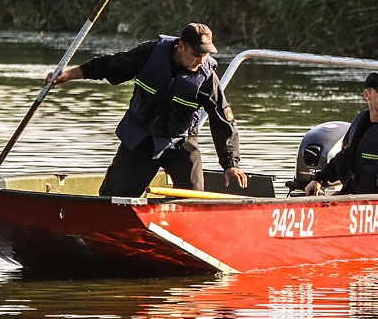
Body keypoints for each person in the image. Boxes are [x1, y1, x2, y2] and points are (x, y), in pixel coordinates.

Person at [47, 22, 247, 197]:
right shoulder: (150, 54)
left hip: (180, 141)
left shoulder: (206, 77)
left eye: (206, 55)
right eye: (196, 54)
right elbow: (108, 65)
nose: (201, 60)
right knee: (113, 198)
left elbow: (223, 118)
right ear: (181, 47)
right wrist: (67, 75)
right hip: (140, 137)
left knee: (193, 201)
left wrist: (230, 163)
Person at [304, 71, 378, 203]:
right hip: (357, 197)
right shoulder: (361, 121)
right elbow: (345, 156)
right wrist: (319, 178)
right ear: (367, 94)